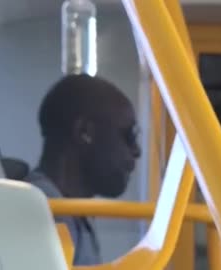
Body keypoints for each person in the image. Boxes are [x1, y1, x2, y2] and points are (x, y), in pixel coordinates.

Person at [26, 74, 141, 265]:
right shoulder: (45, 215)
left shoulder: (71, 211)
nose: (137, 151)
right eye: (128, 135)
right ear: (85, 132)